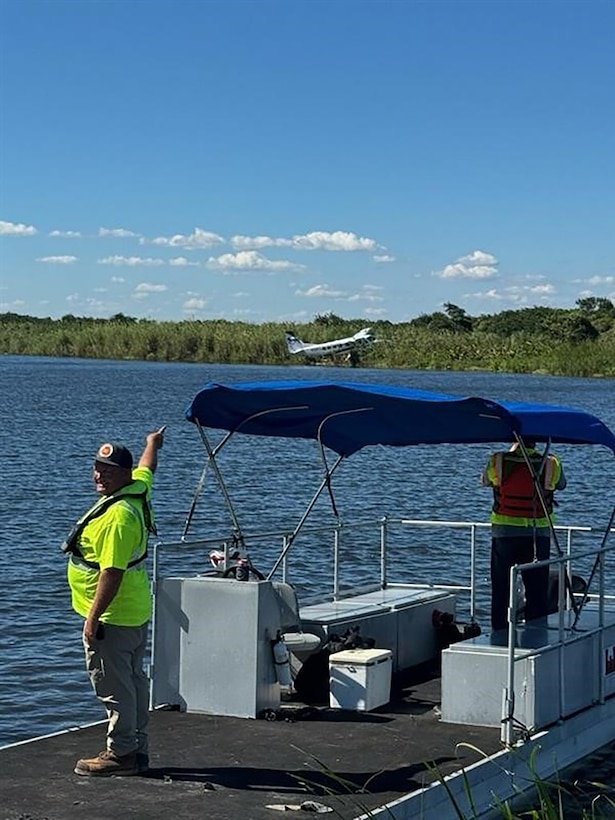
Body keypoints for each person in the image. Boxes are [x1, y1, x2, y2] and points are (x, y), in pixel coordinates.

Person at [63, 426, 166, 777]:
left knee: (113, 685)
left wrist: (93, 619)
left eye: (108, 471)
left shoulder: (118, 519)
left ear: (123, 474)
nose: (99, 475)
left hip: (113, 616)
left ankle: (121, 754)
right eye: (97, 468)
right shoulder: (137, 488)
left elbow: (112, 572)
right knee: (134, 681)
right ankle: (136, 748)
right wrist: (152, 444)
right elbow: (147, 468)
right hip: (134, 611)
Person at [482, 438, 566, 632]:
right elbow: (561, 485)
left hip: (504, 532)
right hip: (538, 534)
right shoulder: (551, 462)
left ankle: (500, 633)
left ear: (515, 440)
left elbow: (486, 481)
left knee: (501, 587)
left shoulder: (499, 460)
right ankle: (536, 636)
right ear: (536, 442)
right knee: (537, 589)